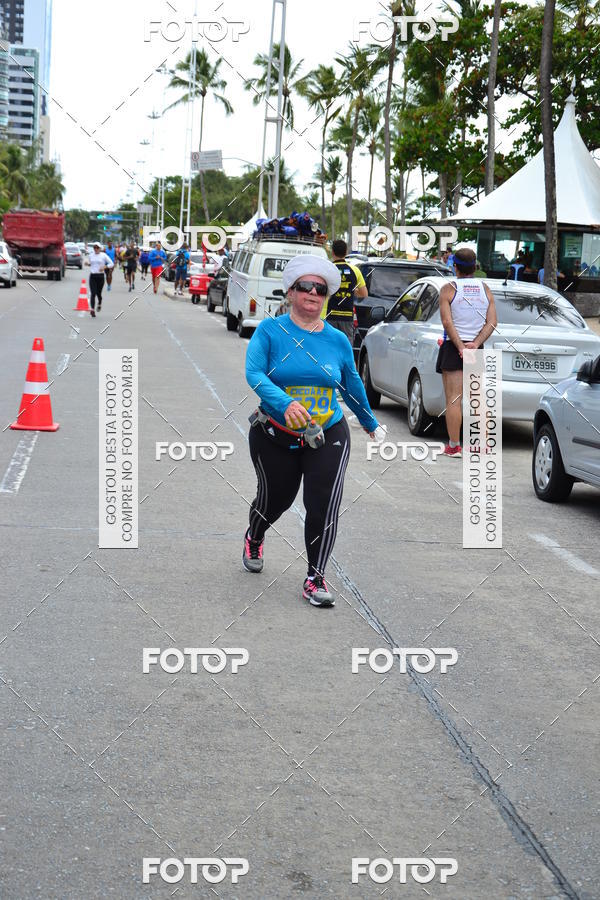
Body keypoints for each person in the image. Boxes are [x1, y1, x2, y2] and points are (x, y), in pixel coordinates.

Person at [244, 254, 382, 607]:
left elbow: (351, 383)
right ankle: (255, 534)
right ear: (291, 292)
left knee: (322, 503)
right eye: (305, 286)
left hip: (328, 432)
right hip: (274, 434)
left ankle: (315, 577)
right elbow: (254, 373)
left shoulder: (336, 340)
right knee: (276, 499)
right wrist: (284, 403)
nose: (313, 293)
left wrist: (369, 422)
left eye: (320, 289)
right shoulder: (269, 331)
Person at [436, 247, 497, 458]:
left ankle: (454, 446)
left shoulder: (448, 289)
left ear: (455, 267)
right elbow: (492, 322)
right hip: (475, 348)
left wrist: (461, 347)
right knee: (477, 398)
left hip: (453, 347)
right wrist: (476, 343)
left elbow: (447, 321)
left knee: (454, 399)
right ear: (474, 267)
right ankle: (483, 445)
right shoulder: (485, 289)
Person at [321, 239, 368, 343]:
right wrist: (351, 291)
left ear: (332, 252)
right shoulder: (355, 270)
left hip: (328, 316)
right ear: (346, 252)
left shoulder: (327, 269)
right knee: (345, 347)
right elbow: (364, 294)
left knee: (328, 346)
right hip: (347, 316)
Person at [87, 241, 114, 318]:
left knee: (98, 293)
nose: (96, 249)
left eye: (97, 247)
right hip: (93, 276)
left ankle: (99, 303)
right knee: (93, 293)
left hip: (100, 277)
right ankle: (92, 310)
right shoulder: (91, 255)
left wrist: (105, 267)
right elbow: (91, 263)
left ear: (100, 248)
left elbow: (111, 263)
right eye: (94, 247)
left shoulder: (103, 255)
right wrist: (87, 264)